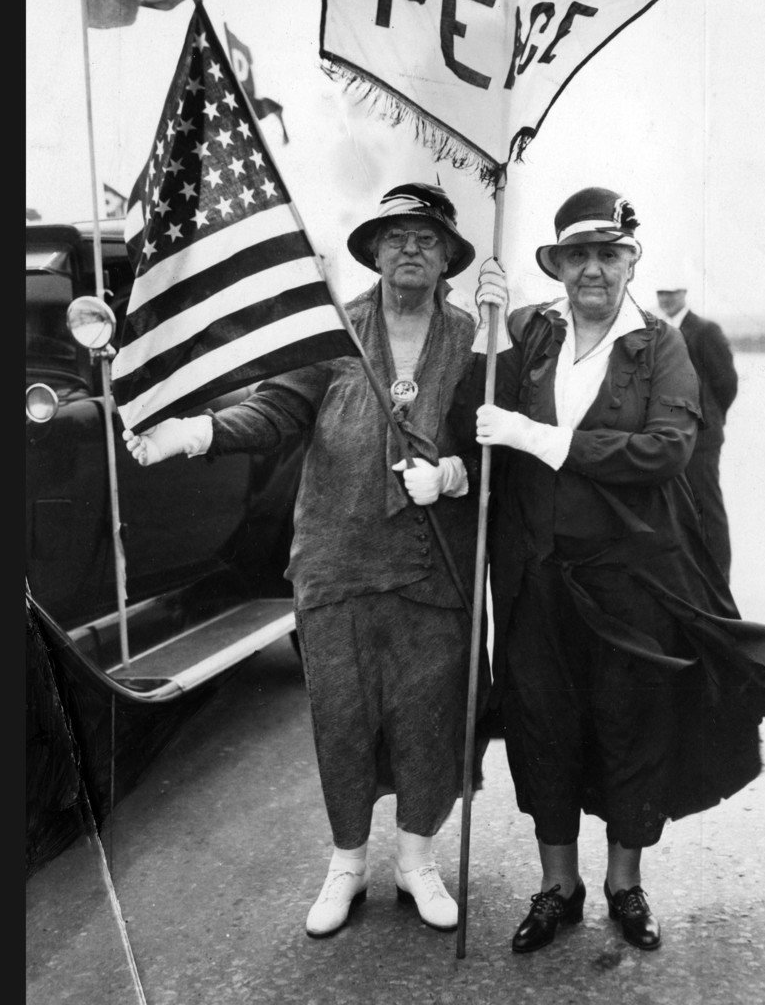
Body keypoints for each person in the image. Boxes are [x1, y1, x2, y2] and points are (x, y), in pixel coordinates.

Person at [122, 183, 506, 939]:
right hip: (335, 562)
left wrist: (457, 466)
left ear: (449, 258)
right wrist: (190, 434)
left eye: (427, 239)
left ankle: (417, 863)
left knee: (427, 717)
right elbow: (272, 412)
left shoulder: (471, 339)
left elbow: (496, 439)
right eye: (395, 237)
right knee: (342, 718)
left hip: (435, 571)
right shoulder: (331, 333)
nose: (410, 250)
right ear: (373, 250)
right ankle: (347, 865)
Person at [473, 187, 765, 955]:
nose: (593, 271)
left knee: (630, 723)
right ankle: (557, 887)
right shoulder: (532, 337)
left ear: (629, 262)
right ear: (559, 265)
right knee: (543, 725)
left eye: (608, 255)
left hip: (629, 581)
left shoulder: (657, 345)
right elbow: (476, 420)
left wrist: (543, 438)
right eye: (579, 256)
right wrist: (483, 332)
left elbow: (667, 448)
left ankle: (623, 885)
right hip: (536, 578)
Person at [651, 277, 738, 583]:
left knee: (708, 510)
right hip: (668, 436)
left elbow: (726, 383)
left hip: (703, 437)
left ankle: (719, 586)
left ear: (685, 292)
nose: (666, 297)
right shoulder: (655, 328)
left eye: (672, 291)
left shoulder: (705, 330)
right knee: (676, 509)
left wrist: (712, 419)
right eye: (661, 291)